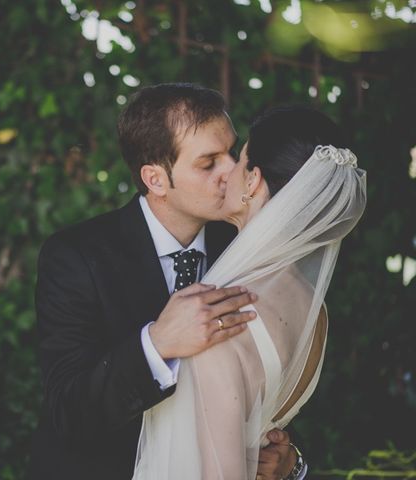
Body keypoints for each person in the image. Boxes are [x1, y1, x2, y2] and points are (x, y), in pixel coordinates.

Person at [26, 84, 305, 480]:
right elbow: (68, 409)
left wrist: (291, 461)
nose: (232, 171)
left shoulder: (248, 248)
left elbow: (276, 376)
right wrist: (156, 345)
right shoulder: (76, 256)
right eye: (208, 164)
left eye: (232, 152)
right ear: (156, 179)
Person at [132, 107, 366, 479]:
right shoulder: (315, 310)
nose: (228, 172)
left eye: (238, 159)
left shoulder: (218, 316)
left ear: (254, 181)